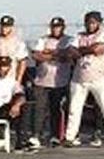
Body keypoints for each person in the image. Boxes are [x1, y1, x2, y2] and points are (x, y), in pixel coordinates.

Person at [64, 11, 104, 149]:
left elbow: (99, 49)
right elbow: (70, 51)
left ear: (99, 23)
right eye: (88, 22)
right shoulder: (79, 36)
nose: (90, 25)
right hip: (79, 79)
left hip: (99, 78)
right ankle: (69, 137)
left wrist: (81, 50)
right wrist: (84, 50)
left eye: (94, 22)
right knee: (74, 109)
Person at [28, 17, 73, 149]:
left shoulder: (68, 40)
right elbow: (36, 56)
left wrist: (49, 53)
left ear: (63, 27)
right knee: (39, 109)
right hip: (42, 81)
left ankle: (55, 136)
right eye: (53, 27)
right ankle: (36, 135)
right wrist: (56, 56)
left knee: (56, 109)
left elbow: (68, 55)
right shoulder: (43, 40)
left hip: (60, 81)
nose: (55, 29)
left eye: (58, 27)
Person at [0, 15, 29, 81]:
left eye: (7, 26)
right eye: (2, 26)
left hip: (10, 79)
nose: (4, 29)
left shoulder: (18, 43)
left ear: (12, 27)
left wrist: (18, 80)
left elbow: (22, 62)